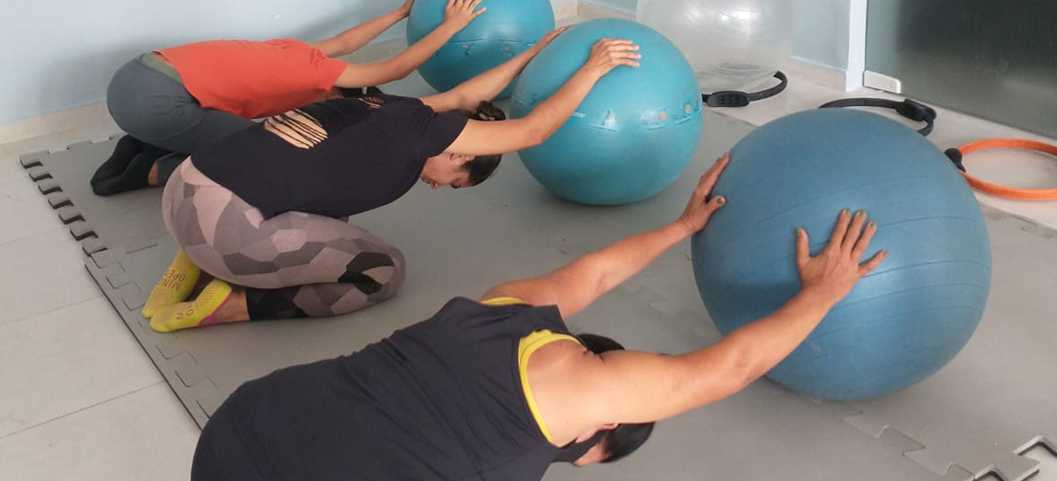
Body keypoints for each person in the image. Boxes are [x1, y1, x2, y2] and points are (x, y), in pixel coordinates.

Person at [189, 154, 888, 480]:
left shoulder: (511, 310)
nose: (565, 456)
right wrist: (824, 292)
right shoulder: (589, 395)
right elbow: (731, 366)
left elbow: (597, 272)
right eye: (580, 455)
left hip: (248, 416)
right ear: (599, 426)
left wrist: (682, 227)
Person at [143, 28, 644, 331]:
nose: (438, 187)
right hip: (223, 226)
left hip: (184, 187)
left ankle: (188, 266)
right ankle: (231, 305)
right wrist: (593, 69)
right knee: (383, 271)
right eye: (454, 181)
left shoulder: (390, 109)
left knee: (327, 215)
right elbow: (533, 131)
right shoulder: (421, 134)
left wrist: (534, 53)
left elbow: (464, 96)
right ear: (462, 152)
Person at [90, 0, 485, 196]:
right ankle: (148, 170)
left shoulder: (298, 54)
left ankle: (146, 143)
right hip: (151, 103)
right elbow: (395, 69)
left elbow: (346, 42)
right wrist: (452, 26)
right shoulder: (310, 74)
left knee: (235, 128)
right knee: (262, 149)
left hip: (134, 76)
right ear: (331, 93)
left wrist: (400, 12)